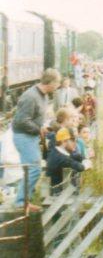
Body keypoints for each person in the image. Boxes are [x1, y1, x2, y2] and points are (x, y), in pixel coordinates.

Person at [11, 69, 61, 211]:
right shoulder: (30, 96)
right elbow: (21, 121)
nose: (58, 86)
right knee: (34, 169)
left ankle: (25, 199)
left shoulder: (43, 96)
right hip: (23, 136)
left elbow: (36, 117)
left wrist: (45, 125)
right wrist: (39, 129)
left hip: (31, 136)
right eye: (57, 83)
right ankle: (21, 202)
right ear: (50, 82)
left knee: (32, 168)